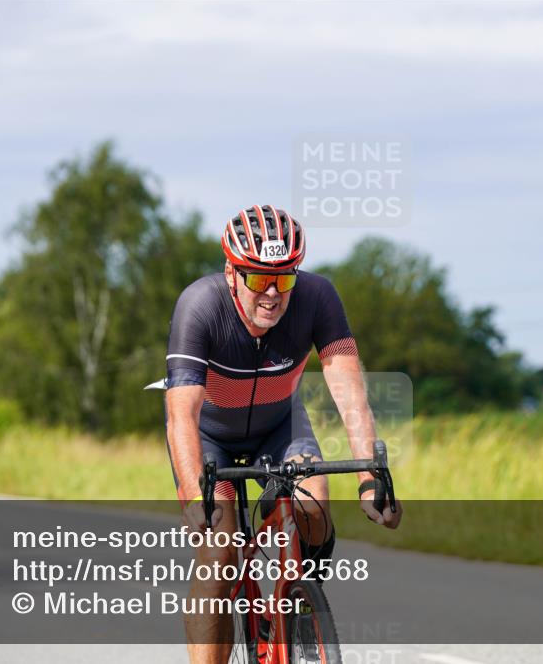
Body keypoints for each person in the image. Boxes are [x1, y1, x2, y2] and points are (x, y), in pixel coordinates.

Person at [164, 205, 402, 664]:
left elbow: (350, 393)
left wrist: (370, 479)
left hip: (279, 427)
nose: (273, 293)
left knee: (314, 500)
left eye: (285, 278)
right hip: (211, 439)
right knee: (220, 553)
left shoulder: (319, 297)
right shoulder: (200, 306)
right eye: (258, 278)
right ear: (231, 272)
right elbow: (181, 416)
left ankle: (295, 606)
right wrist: (199, 498)